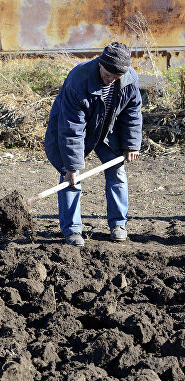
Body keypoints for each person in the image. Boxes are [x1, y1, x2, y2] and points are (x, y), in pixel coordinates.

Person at [44, 42, 142, 247]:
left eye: (116, 77)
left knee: (117, 172)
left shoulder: (129, 79)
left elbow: (132, 112)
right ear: (100, 63)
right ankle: (72, 229)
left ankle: (118, 225)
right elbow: (72, 129)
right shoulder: (78, 81)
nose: (111, 80)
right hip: (73, 129)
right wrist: (71, 167)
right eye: (108, 75)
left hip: (107, 130)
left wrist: (132, 143)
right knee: (70, 177)